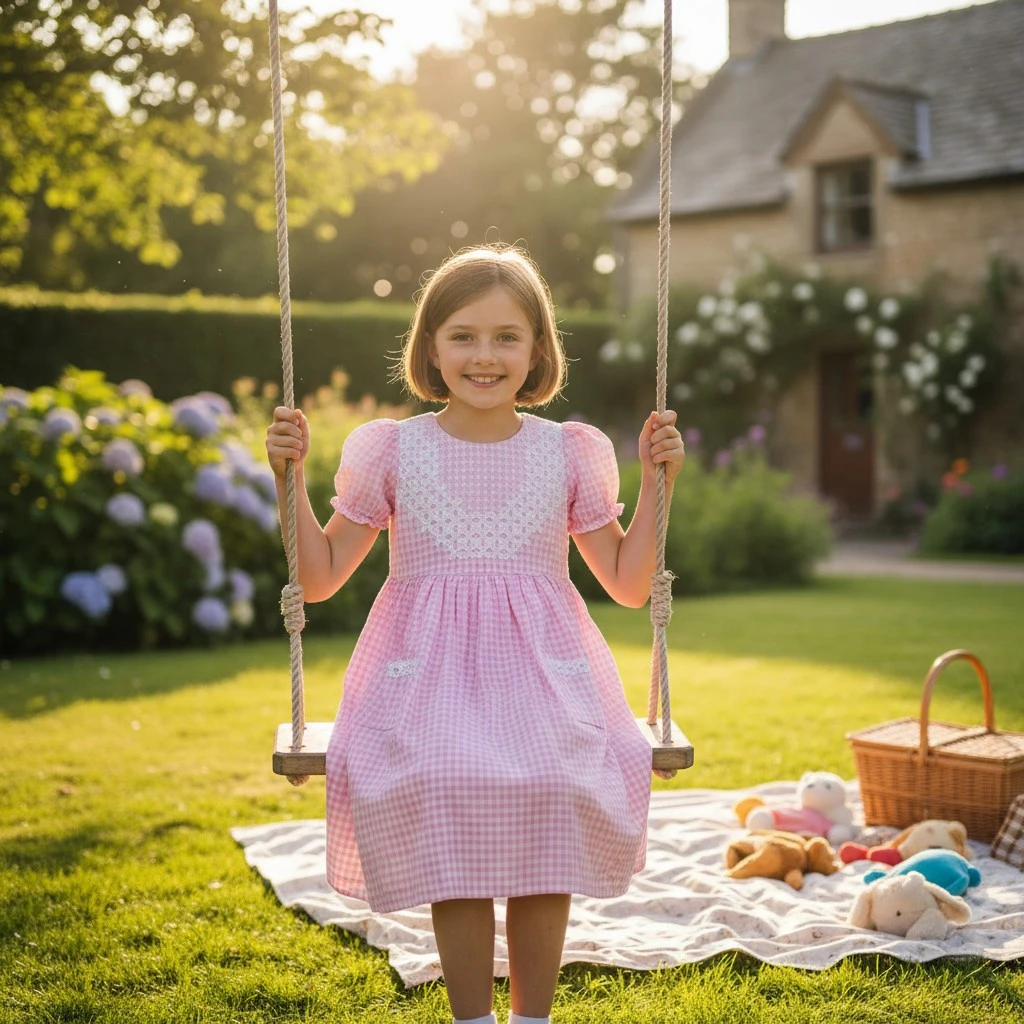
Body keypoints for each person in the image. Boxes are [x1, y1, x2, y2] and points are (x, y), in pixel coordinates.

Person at [265, 244, 685, 1024]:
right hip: (423, 677)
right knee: (443, 784)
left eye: (505, 337)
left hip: (544, 676)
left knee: (554, 785)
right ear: (430, 346)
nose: (484, 356)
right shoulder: (392, 449)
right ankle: (472, 1018)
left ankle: (531, 1017)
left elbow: (628, 584)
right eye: (462, 335)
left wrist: (658, 484)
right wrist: (286, 479)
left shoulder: (568, 451)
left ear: (537, 351)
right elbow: (319, 575)